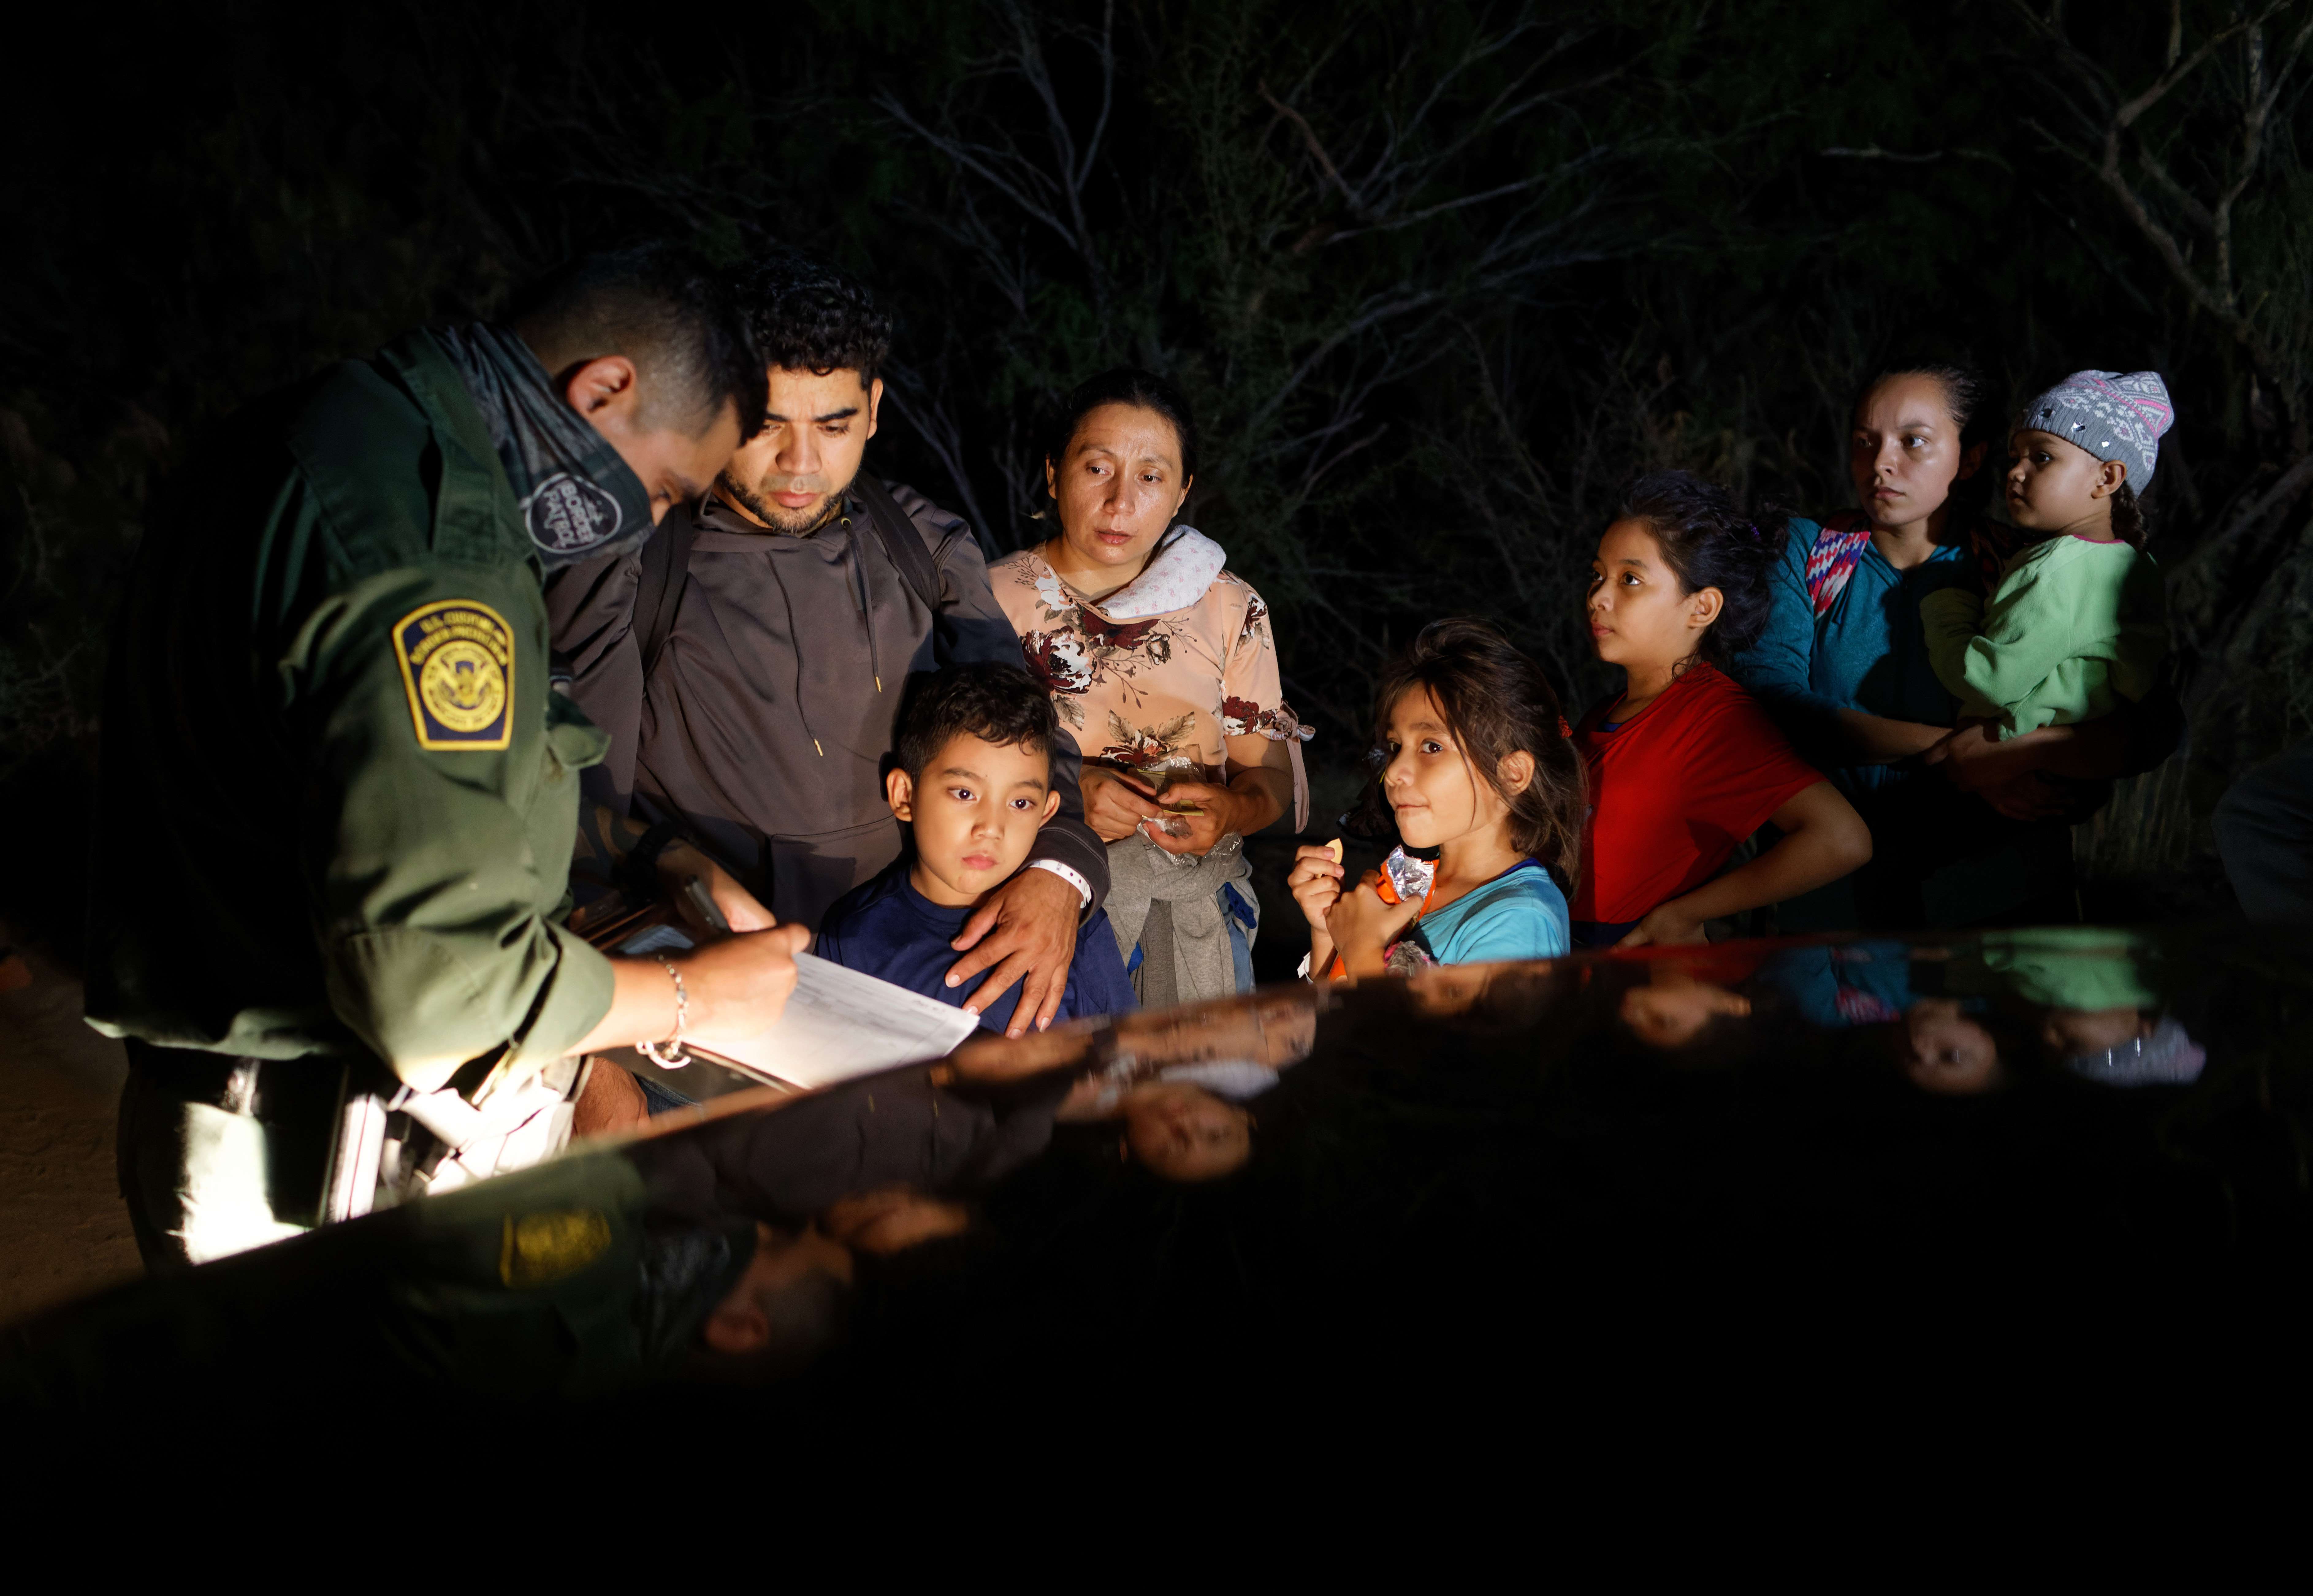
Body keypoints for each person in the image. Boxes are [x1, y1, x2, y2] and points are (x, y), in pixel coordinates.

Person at [86, 243, 815, 1269]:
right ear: (605, 388)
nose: (643, 527)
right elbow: (438, 993)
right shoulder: (439, 551)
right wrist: (697, 996)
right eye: (659, 488)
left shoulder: (324, 432)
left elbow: (405, 778)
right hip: (320, 1159)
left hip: (216, 1108)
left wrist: (663, 857)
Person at [549, 252, 1105, 1035]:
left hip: (910, 969)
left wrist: (1059, 873)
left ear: (874, 409)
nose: (801, 465)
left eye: (834, 424)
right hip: (711, 982)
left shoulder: (925, 546)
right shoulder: (637, 564)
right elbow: (578, 811)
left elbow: (1027, 738)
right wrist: (609, 1049)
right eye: (768, 424)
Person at [1734, 363, 2179, 929]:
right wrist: (1971, 753)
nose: (1881, 464)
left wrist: (2037, 755)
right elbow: (1773, 705)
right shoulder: (1807, 553)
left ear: (1970, 457)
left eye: (1913, 442)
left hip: (1992, 897)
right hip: (1828, 894)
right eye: (1864, 442)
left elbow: (2156, 724)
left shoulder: (2030, 567)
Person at [992, 368, 1311, 1007]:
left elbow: (1268, 778)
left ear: (1182, 490)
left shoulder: (1227, 607)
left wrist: (1229, 811)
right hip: (1037, 909)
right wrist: (1069, 787)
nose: (1120, 503)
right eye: (1096, 468)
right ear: (1053, 473)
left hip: (1197, 914)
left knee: (1192, 1104)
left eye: (1150, 475)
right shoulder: (990, 600)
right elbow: (955, 768)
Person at [1570, 472, 1872, 948]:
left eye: (1629, 579)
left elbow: (1840, 839)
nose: (1598, 597)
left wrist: (1687, 913)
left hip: (1642, 989)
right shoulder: (1600, 715)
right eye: (1597, 575)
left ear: (1702, 607)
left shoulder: (1713, 719)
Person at [814, 662, 1137, 1034]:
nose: (991, 828)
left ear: (1046, 812)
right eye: (965, 794)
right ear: (905, 795)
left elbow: (1131, 1067)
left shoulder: (1067, 924)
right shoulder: (853, 937)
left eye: (1020, 803)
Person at [1286, 618, 1581, 979]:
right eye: (1395, 747)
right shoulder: (1412, 881)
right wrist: (1328, 932)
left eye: (1432, 746)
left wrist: (1361, 946)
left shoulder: (1520, 920)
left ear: (1512, 774)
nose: (1393, 772)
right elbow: (1328, 1023)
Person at [1921, 370, 2172, 741]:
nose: (2015, 473)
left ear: (2106, 478)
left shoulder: (2058, 569)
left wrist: (1947, 609)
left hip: (2006, 754)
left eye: (2041, 457)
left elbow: (1990, 680)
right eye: (2014, 458)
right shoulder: (2135, 566)